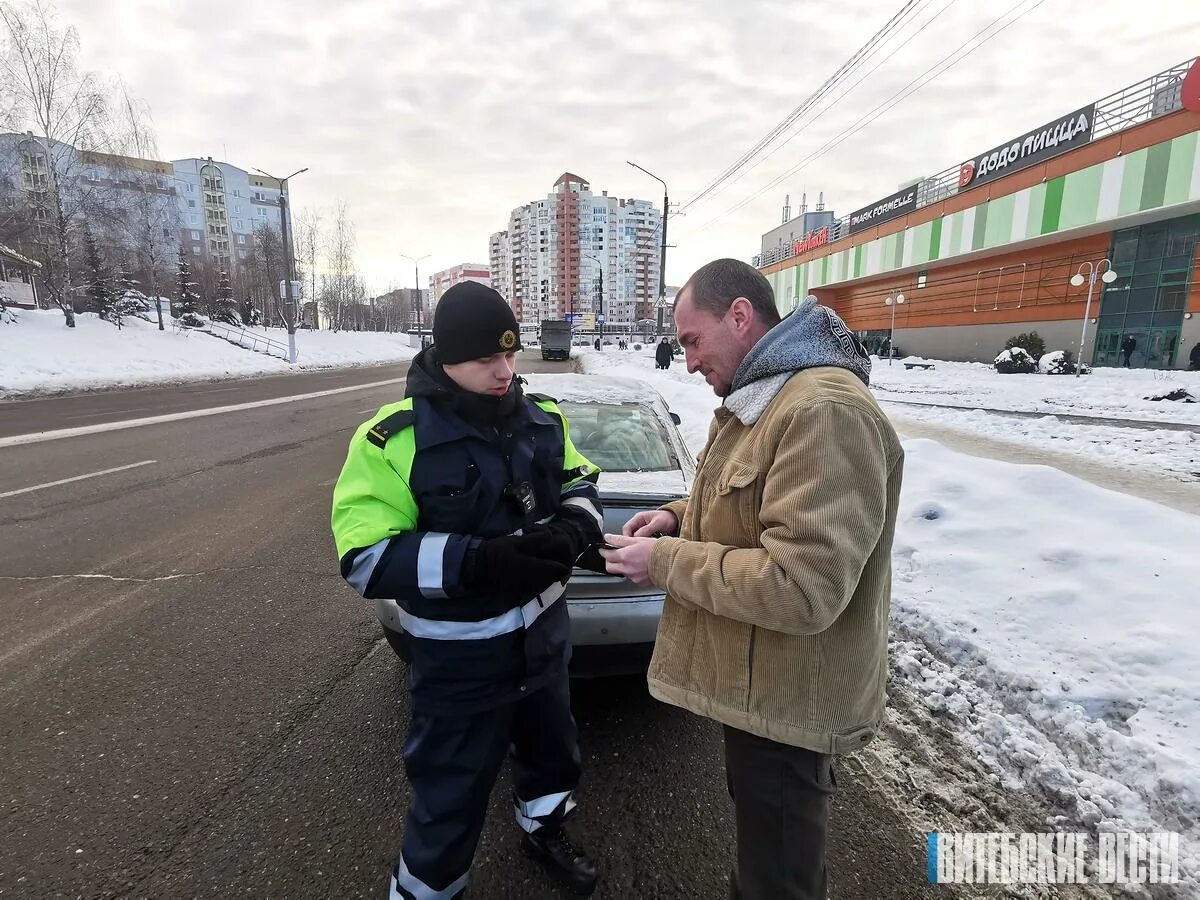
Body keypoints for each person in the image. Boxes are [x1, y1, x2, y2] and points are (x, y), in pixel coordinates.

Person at [601, 260, 904, 900]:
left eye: (691, 340)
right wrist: (676, 516)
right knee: (764, 860)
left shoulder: (822, 411)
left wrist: (659, 564)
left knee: (778, 881)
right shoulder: (765, 399)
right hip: (763, 691)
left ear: (739, 317)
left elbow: (800, 585)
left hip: (791, 699)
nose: (686, 362)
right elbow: (750, 506)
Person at [330, 282, 604, 898]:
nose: (506, 371)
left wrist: (570, 530)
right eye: (488, 359)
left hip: (545, 643)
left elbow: (583, 483)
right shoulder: (393, 439)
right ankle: (429, 888)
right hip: (461, 660)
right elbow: (365, 557)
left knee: (553, 753)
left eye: (511, 354)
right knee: (450, 789)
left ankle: (545, 828)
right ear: (447, 357)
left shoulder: (544, 420)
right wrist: (478, 563)